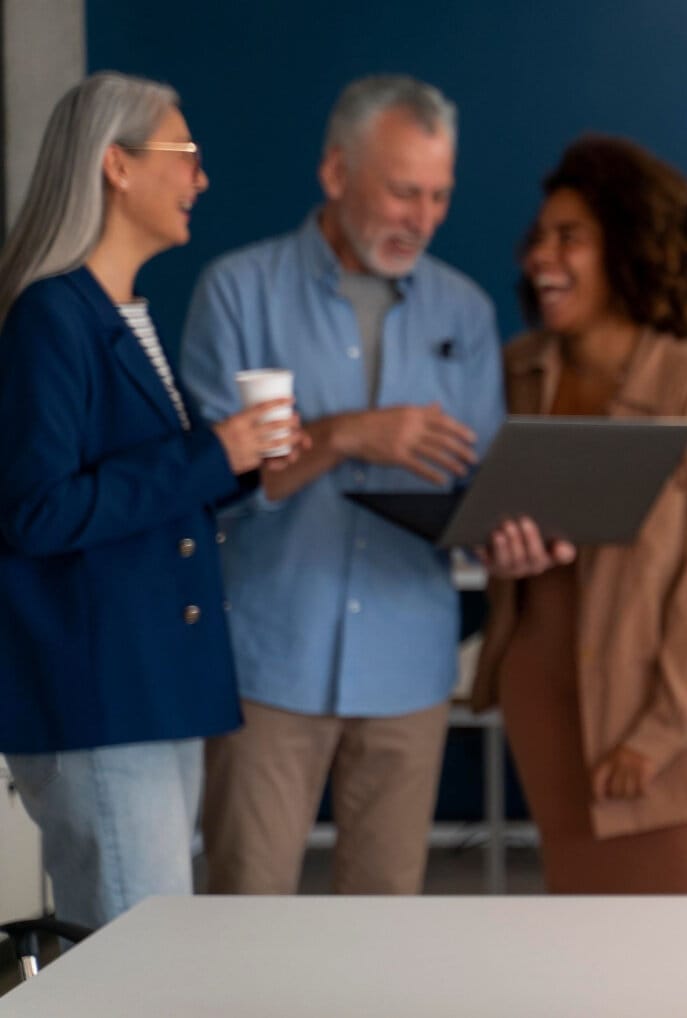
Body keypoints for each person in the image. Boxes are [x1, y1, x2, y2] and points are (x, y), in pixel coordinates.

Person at [179, 75, 505, 896]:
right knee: (243, 917)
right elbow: (211, 483)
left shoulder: (463, 311)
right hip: (269, 662)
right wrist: (353, 434)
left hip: (409, 668)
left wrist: (513, 529)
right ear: (335, 174)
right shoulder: (236, 292)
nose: (422, 218)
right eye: (403, 191)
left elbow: (478, 481)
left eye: (438, 195)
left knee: (383, 932)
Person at [0, 72, 303, 928]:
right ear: (117, 167)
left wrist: (244, 465)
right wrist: (217, 450)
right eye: (187, 155)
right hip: (102, 696)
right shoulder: (50, 319)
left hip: (154, 690)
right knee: (140, 965)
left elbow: (145, 489)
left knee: (154, 952)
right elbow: (36, 511)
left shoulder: (121, 312)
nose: (201, 179)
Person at [470, 135, 687, 893]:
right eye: (539, 237)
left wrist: (657, 734)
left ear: (631, 249)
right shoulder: (513, 374)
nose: (541, 257)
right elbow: (486, 525)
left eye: (571, 238)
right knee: (583, 956)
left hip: (674, 736)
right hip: (548, 711)